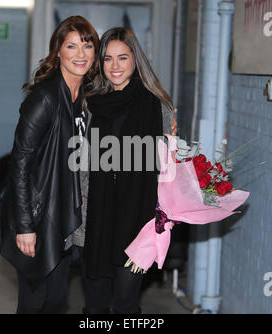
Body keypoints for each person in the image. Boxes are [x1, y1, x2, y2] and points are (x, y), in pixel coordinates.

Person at [0, 16, 99, 314]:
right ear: (58, 52)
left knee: (56, 300)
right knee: (34, 302)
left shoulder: (85, 98)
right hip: (38, 216)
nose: (80, 54)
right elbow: (20, 164)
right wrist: (25, 226)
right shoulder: (45, 99)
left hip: (64, 214)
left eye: (87, 45)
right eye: (71, 46)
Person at [82, 27, 174, 314]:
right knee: (94, 304)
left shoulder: (156, 105)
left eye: (122, 58)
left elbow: (168, 168)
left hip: (137, 217)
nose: (115, 66)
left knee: (126, 302)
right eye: (107, 59)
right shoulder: (90, 104)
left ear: (136, 60)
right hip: (97, 215)